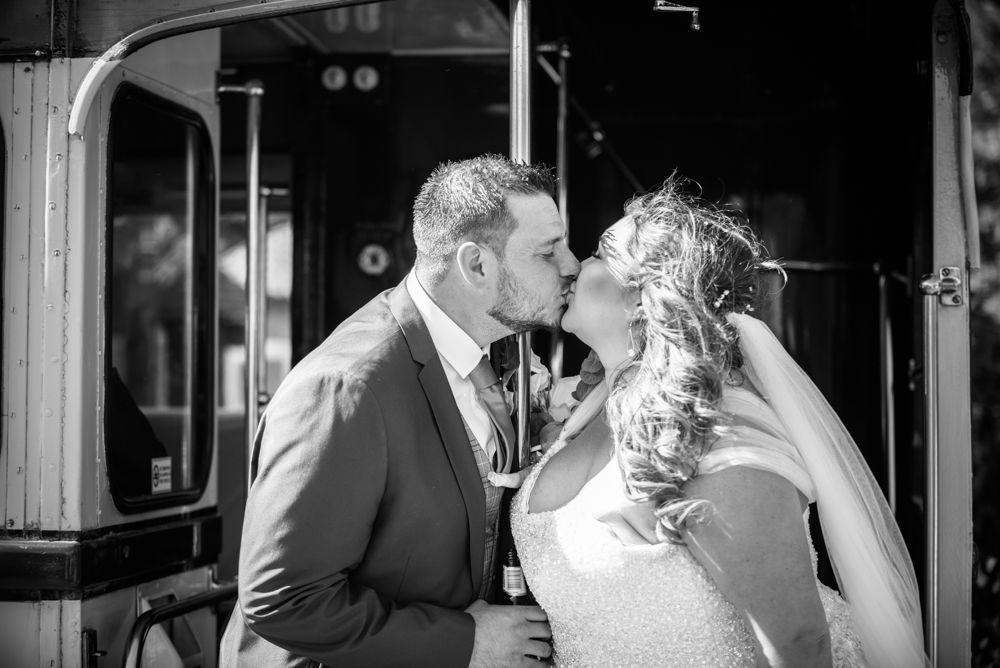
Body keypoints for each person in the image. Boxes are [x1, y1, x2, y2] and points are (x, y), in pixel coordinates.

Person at [508, 177, 926, 667]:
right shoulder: (588, 412)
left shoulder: (716, 428)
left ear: (646, 297)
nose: (577, 266)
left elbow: (798, 643)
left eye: (600, 252)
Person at [220, 155, 580, 667]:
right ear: (476, 265)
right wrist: (464, 641)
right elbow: (284, 601)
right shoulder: (347, 389)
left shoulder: (487, 351)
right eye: (548, 251)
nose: (572, 265)